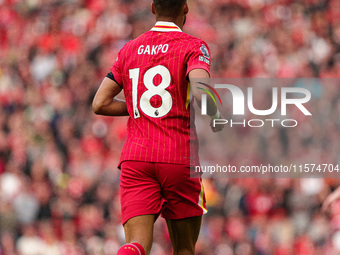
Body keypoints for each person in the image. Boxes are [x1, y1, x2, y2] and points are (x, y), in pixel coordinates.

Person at [92, 1, 222, 254]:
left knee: (137, 244)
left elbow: (100, 103)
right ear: (185, 8)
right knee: (184, 248)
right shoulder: (193, 47)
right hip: (178, 156)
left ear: (153, 8)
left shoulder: (129, 49)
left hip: (136, 158)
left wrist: (141, 104)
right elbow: (202, 94)